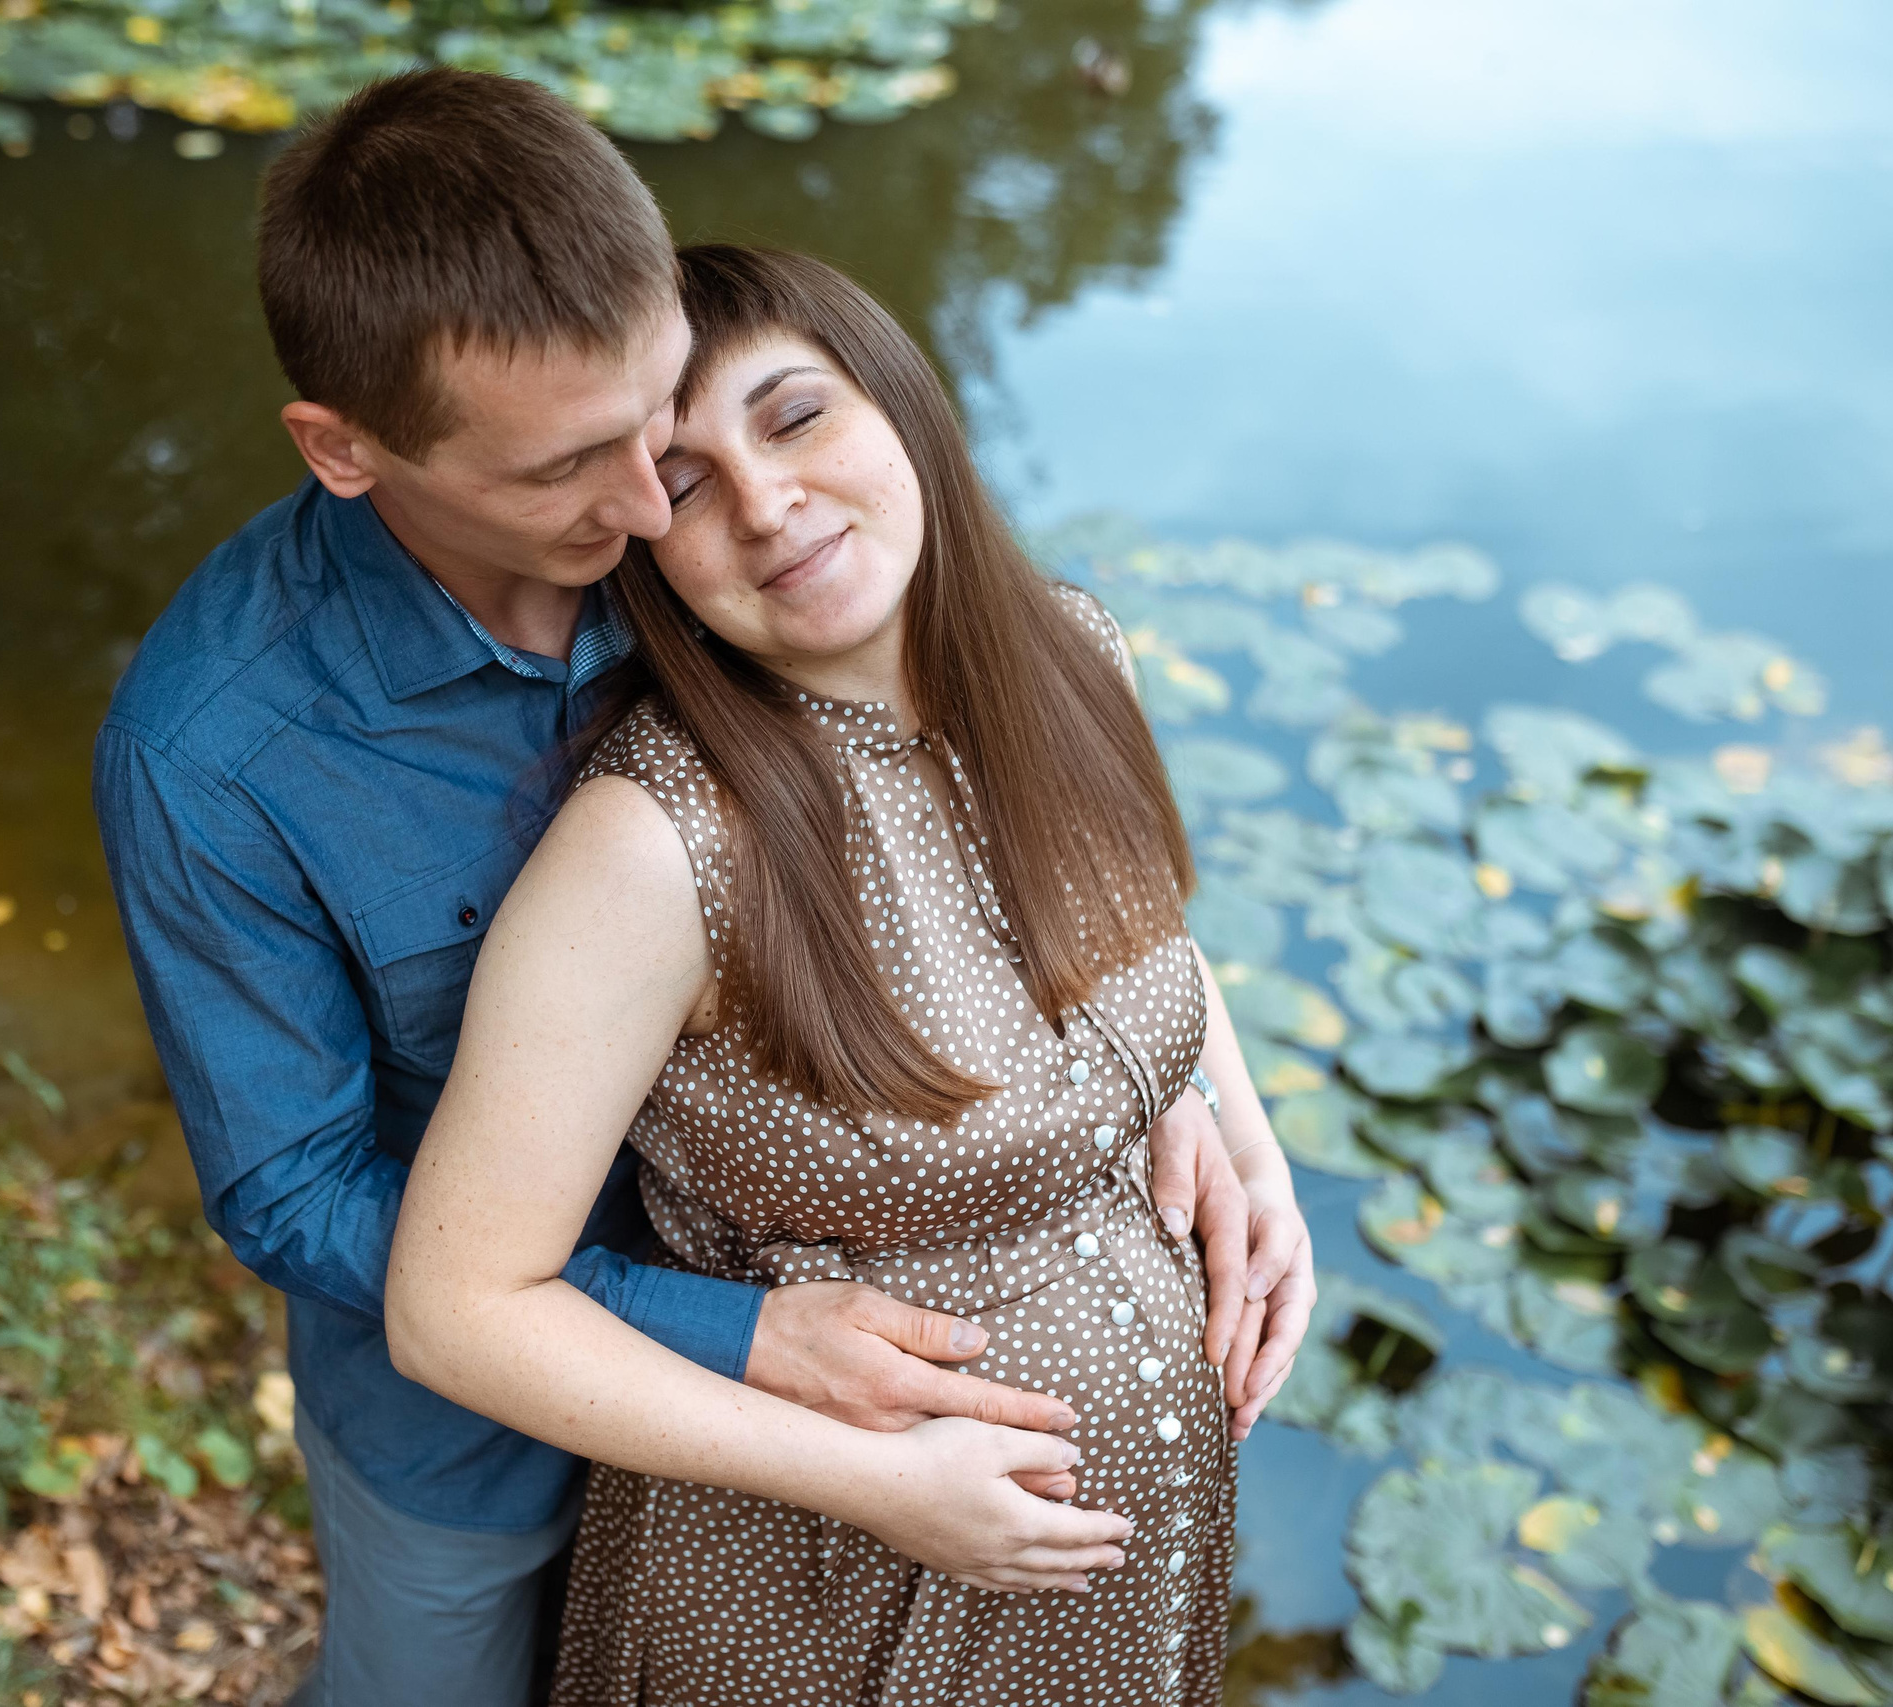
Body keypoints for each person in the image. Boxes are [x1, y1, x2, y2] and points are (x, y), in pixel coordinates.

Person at [96, 72, 1297, 1707]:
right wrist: (728, 1333)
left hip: (877, 1414)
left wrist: (1185, 1100)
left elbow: (1002, 846)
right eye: (580, 469)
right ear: (346, 452)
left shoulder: (745, 558)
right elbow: (296, 1190)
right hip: (494, 1433)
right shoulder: (219, 753)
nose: (666, 505)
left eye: (660, 414)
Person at [385, 244, 1314, 1705]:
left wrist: (1241, 1138)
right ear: (647, 545)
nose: (765, 504)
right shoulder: (655, 848)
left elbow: (1143, 937)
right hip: (822, 1607)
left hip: (1121, 1595)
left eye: (796, 416)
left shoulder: (1074, 653)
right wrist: (873, 1485)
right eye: (684, 485)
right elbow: (455, 1308)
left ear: (900, 403)